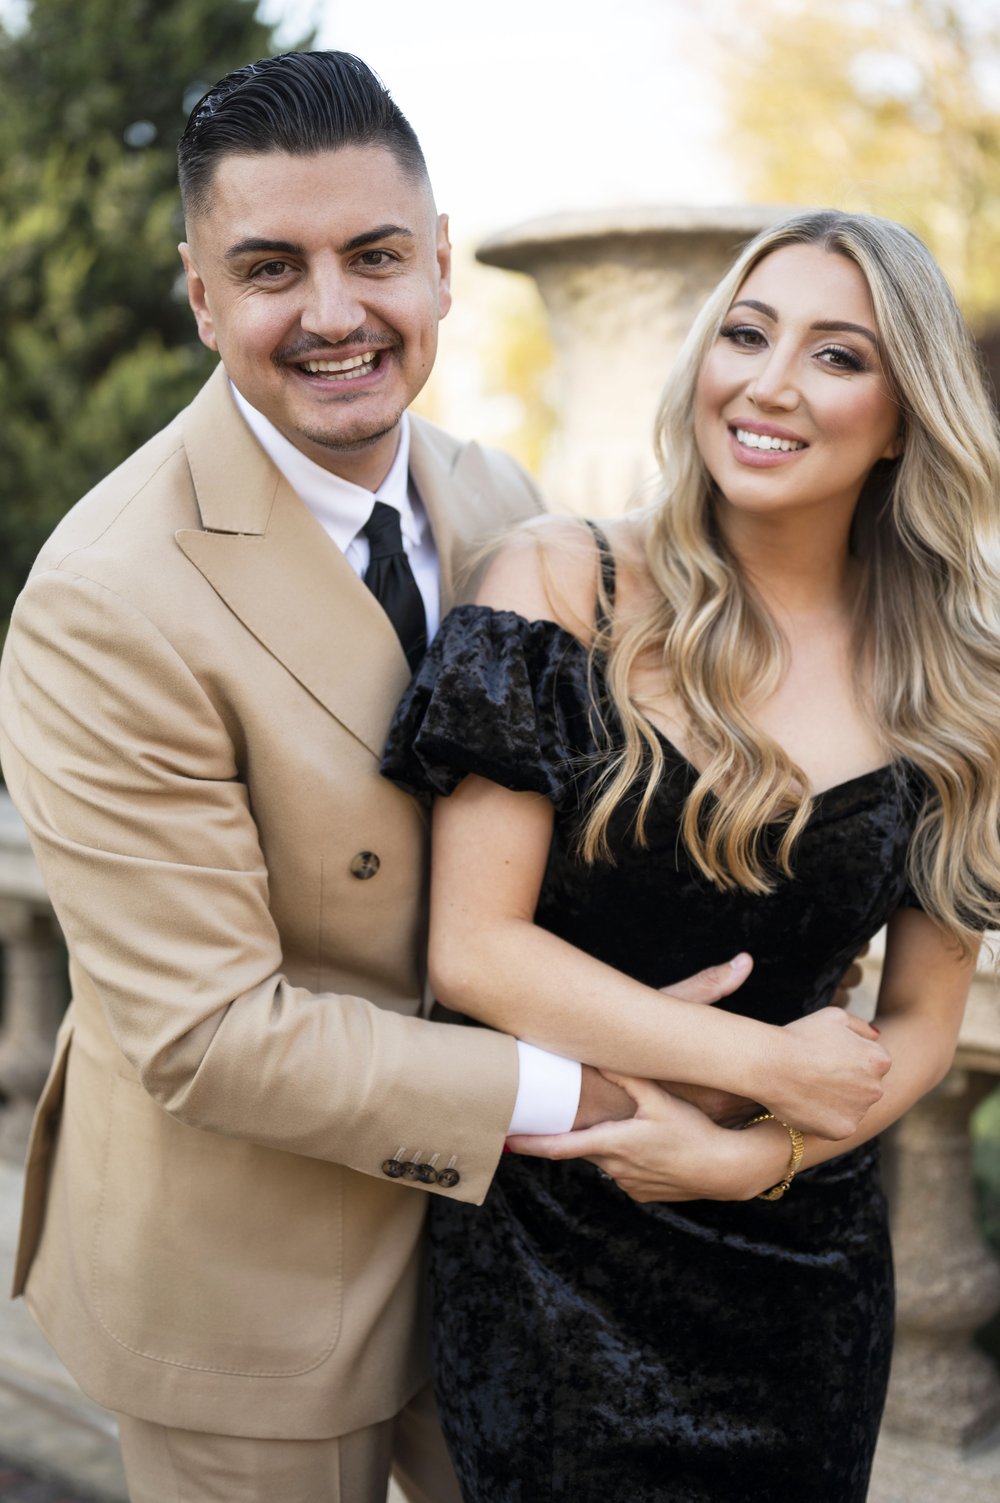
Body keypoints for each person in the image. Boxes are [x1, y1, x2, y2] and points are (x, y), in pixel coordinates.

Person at [0, 47, 683, 1503]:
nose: (333, 315)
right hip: (245, 1276)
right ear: (200, 293)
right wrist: (598, 1089)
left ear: (440, 266)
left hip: (506, 1252)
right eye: (269, 268)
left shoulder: (498, 497)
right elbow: (210, 1033)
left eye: (376, 255)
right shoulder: (102, 600)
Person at [382, 208, 1000, 1503]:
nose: (770, 383)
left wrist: (755, 1153)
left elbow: (927, 1024)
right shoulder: (565, 586)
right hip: (558, 1245)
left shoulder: (957, 688)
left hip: (801, 1272)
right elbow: (474, 946)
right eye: (747, 332)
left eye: (839, 355)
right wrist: (765, 1061)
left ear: (904, 415)